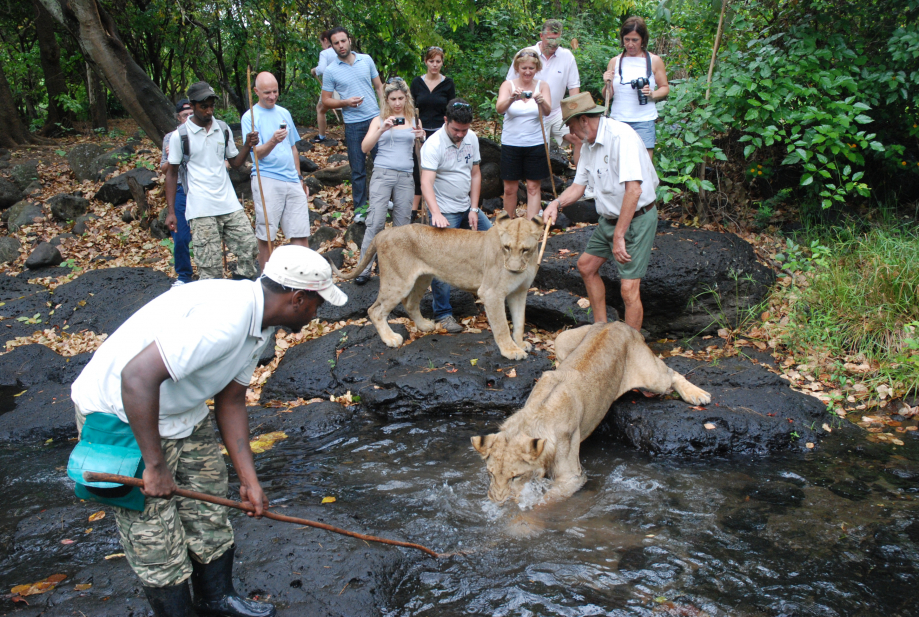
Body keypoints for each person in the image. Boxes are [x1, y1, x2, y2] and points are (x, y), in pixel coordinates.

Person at [67, 245, 348, 617]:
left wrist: (249, 480)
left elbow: (231, 401)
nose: (318, 314)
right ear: (297, 299)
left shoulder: (260, 323)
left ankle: (217, 599)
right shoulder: (225, 319)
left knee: (207, 506)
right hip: (123, 413)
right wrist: (154, 465)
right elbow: (135, 378)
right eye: (319, 305)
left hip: (181, 408)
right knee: (155, 534)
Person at [542, 93, 659, 332]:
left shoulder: (621, 137)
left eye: (572, 127)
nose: (572, 134)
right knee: (586, 266)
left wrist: (619, 236)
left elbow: (634, 191)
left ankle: (629, 348)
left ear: (584, 120)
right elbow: (578, 186)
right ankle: (600, 328)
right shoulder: (588, 145)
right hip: (610, 217)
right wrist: (556, 203)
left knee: (628, 288)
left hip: (636, 218)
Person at [165, 82, 260, 281]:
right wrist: (172, 212)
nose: (209, 110)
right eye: (203, 106)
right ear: (192, 106)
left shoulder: (222, 129)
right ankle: (213, 304)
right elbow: (171, 173)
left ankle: (240, 287)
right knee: (210, 266)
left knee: (249, 246)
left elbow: (235, 163)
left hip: (228, 203)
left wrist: (248, 145)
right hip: (201, 208)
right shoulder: (180, 136)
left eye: (211, 106)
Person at [419, 98, 489, 333]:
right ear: (446, 121)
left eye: (465, 130)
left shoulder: (472, 138)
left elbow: (476, 174)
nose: (460, 134)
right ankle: (443, 313)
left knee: (495, 240)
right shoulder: (433, 144)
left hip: (466, 205)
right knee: (442, 260)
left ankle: (492, 294)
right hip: (444, 209)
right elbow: (426, 182)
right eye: (456, 130)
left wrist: (474, 207)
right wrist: (436, 213)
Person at [353, 77, 425, 285]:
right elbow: (364, 148)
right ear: (386, 99)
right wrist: (382, 129)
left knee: (402, 225)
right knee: (375, 222)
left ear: (406, 98)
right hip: (382, 173)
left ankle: (396, 270)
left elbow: (422, 152)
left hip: (405, 175)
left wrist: (422, 137)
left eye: (401, 98)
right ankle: (363, 268)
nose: (397, 103)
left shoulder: (413, 119)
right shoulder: (378, 120)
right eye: (393, 99)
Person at [241, 72, 312, 270]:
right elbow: (256, 154)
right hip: (267, 178)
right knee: (267, 234)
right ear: (256, 92)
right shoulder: (250, 118)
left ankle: (301, 278)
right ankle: (267, 281)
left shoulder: (284, 113)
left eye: (275, 91)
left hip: (291, 178)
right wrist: (273, 140)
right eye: (267, 93)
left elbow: (293, 148)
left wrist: (300, 178)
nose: (272, 96)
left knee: (300, 231)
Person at [320, 27, 385, 218]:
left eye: (343, 41)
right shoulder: (331, 71)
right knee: (358, 169)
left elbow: (379, 87)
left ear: (349, 40)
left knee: (382, 164)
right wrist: (345, 102)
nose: (340, 45)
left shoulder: (366, 60)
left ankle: (383, 201)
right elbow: (326, 100)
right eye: (336, 43)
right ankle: (360, 210)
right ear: (331, 46)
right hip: (353, 124)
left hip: (374, 119)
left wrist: (384, 112)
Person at [506, 20, 582, 165]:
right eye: (550, 39)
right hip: (532, 111)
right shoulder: (527, 54)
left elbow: (573, 88)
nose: (554, 43)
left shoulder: (566, 56)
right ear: (541, 35)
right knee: (539, 151)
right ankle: (539, 182)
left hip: (557, 111)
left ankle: (579, 180)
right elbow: (509, 83)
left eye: (557, 38)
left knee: (579, 138)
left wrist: (574, 115)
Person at [603, 16, 670, 158]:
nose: (630, 44)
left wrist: (652, 94)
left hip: (644, 120)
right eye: (627, 39)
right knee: (618, 164)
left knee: (644, 165)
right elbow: (608, 95)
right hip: (618, 120)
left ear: (643, 40)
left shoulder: (653, 61)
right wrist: (606, 83)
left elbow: (664, 87)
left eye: (635, 40)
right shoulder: (615, 62)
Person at [496, 49, 552, 220]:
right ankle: (508, 226)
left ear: (536, 68)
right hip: (511, 143)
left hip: (535, 143)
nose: (527, 72)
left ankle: (531, 228)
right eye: (524, 68)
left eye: (531, 68)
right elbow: (499, 109)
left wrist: (541, 100)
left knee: (533, 187)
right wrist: (511, 98)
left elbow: (548, 111)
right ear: (517, 68)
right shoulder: (508, 85)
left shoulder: (542, 85)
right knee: (509, 188)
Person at [410, 46, 456, 213]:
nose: (435, 65)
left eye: (438, 61)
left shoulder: (448, 83)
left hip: (440, 132)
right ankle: (414, 210)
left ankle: (436, 208)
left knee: (439, 169)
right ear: (426, 62)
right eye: (431, 61)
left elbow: (452, 108)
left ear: (442, 63)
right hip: (420, 131)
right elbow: (411, 107)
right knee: (419, 169)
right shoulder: (417, 83)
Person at [159, 99, 195, 287]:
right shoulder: (170, 137)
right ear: (178, 117)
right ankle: (183, 276)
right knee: (180, 235)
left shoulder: (203, 132)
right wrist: (173, 155)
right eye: (184, 115)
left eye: (191, 114)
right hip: (180, 187)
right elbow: (165, 169)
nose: (188, 118)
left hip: (200, 187)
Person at [310, 30, 338, 144]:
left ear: (326, 40)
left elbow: (321, 69)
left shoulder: (325, 53)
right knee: (347, 110)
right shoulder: (342, 51)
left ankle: (321, 136)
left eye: (321, 42)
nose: (322, 45)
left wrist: (314, 70)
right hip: (345, 85)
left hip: (331, 87)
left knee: (320, 110)